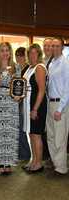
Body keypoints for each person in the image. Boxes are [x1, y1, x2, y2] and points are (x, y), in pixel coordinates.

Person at [0, 42, 19, 175]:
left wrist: (18, 96)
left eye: (7, 50)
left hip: (11, 103)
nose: (5, 53)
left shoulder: (15, 67)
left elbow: (18, 85)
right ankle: (1, 163)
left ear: (10, 52)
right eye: (2, 50)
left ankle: (9, 162)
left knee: (10, 133)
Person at [22, 43, 47, 173]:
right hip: (27, 105)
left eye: (34, 53)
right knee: (30, 134)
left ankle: (39, 163)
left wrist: (35, 109)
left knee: (36, 134)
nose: (32, 55)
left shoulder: (39, 67)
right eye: (30, 53)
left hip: (37, 106)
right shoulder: (29, 67)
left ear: (39, 54)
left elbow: (42, 90)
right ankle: (33, 160)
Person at [46, 38, 69, 175]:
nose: (54, 48)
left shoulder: (65, 63)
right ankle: (55, 162)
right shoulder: (52, 63)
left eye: (56, 46)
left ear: (62, 47)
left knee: (60, 137)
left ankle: (61, 168)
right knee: (51, 135)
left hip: (61, 104)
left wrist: (60, 109)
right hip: (50, 102)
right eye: (52, 46)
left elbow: (67, 88)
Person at [15, 47, 31, 161]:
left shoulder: (27, 69)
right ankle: (21, 152)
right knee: (18, 129)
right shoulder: (16, 68)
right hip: (16, 101)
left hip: (23, 103)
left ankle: (25, 154)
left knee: (21, 129)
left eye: (21, 55)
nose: (19, 58)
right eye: (17, 56)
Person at [42, 38, 53, 164]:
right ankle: (45, 155)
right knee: (44, 128)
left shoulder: (55, 61)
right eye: (45, 46)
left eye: (49, 46)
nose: (47, 48)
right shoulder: (42, 61)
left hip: (51, 99)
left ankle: (51, 156)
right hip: (43, 99)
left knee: (51, 130)